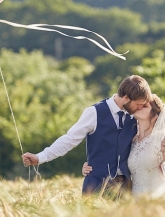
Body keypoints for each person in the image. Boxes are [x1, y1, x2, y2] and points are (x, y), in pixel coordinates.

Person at [22, 75, 152, 194]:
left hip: (125, 189)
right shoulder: (94, 112)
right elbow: (69, 140)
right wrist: (39, 157)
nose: (140, 108)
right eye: (138, 105)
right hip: (95, 185)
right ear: (126, 98)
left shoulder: (137, 116)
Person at [82, 94, 165, 198]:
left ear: (154, 115)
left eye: (144, 106)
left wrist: (164, 151)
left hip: (158, 198)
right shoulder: (133, 139)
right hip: (136, 199)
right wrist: (91, 165)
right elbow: (115, 158)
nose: (138, 107)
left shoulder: (162, 137)